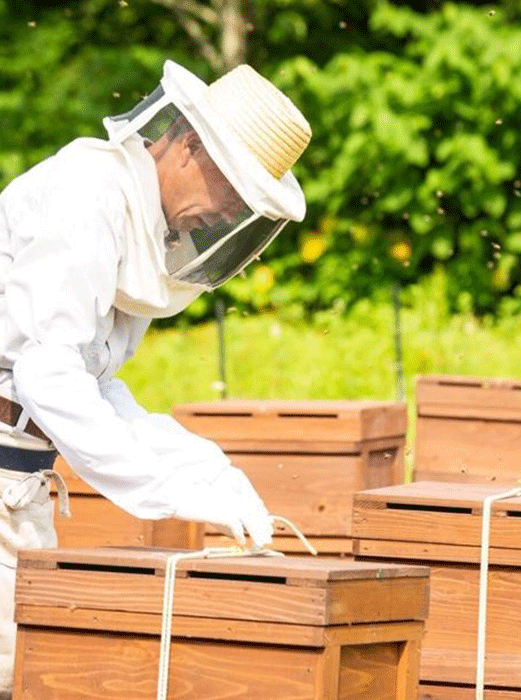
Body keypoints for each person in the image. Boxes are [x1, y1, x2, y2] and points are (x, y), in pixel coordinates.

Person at [0, 59, 311, 698]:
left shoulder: (139, 223)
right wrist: (167, 488)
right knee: (23, 671)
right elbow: (47, 373)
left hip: (20, 480)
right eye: (236, 194)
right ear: (192, 145)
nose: (226, 216)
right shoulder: (88, 196)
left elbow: (96, 385)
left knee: (32, 670)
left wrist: (204, 467)